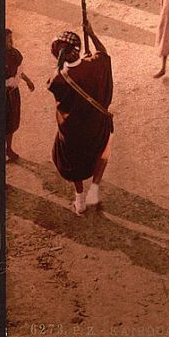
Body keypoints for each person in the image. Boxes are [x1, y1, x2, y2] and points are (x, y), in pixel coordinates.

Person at [47, 21, 114, 214]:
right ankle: (94, 190)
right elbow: (104, 54)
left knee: (74, 160)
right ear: (78, 50)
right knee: (103, 150)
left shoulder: (59, 78)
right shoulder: (95, 65)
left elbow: (54, 81)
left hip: (72, 130)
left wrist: (72, 64)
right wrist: (91, 34)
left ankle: (79, 198)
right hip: (96, 125)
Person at [5, 28, 35, 162]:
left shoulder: (15, 54)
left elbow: (19, 71)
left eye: (11, 38)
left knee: (11, 123)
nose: (12, 41)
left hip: (13, 94)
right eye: (8, 39)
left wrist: (28, 80)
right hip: (2, 96)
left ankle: (9, 149)